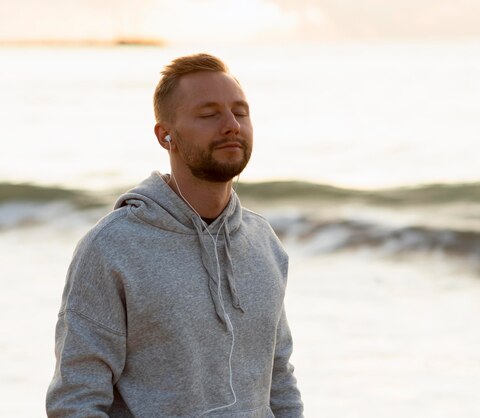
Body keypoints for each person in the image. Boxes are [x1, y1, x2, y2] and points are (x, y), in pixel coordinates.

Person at [46, 53, 304, 417]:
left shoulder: (262, 242)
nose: (231, 125)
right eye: (209, 114)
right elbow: (76, 398)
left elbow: (278, 380)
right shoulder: (113, 247)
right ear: (165, 134)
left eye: (240, 112)